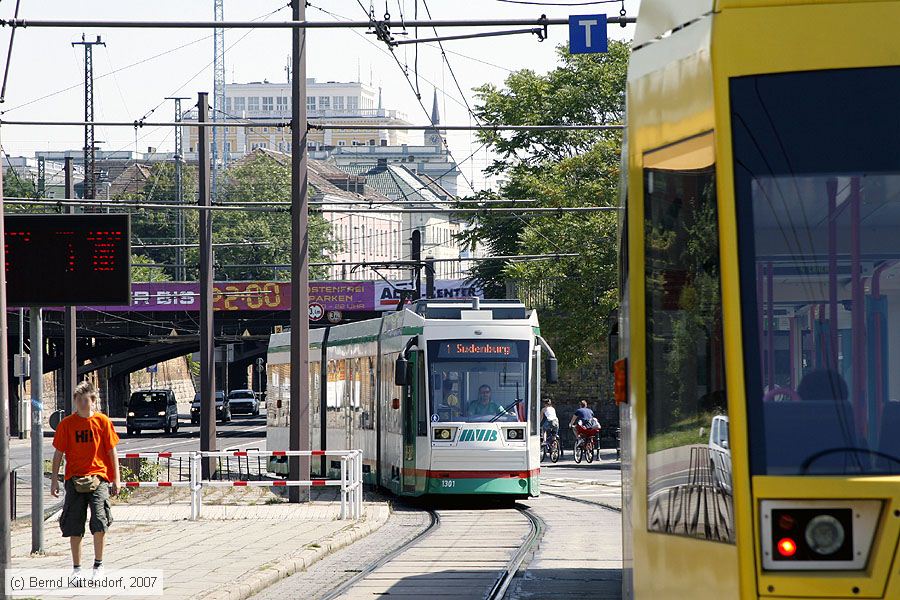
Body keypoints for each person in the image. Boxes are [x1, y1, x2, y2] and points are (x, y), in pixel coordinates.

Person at [50, 380, 121, 577]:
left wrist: (117, 478)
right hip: (74, 478)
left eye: (86, 400)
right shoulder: (67, 425)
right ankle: (76, 568)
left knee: (99, 520)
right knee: (74, 523)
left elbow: (111, 451)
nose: (82, 404)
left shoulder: (103, 422)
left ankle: (98, 564)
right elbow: (58, 454)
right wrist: (55, 479)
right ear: (75, 401)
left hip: (99, 477)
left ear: (93, 401)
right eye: (79, 400)